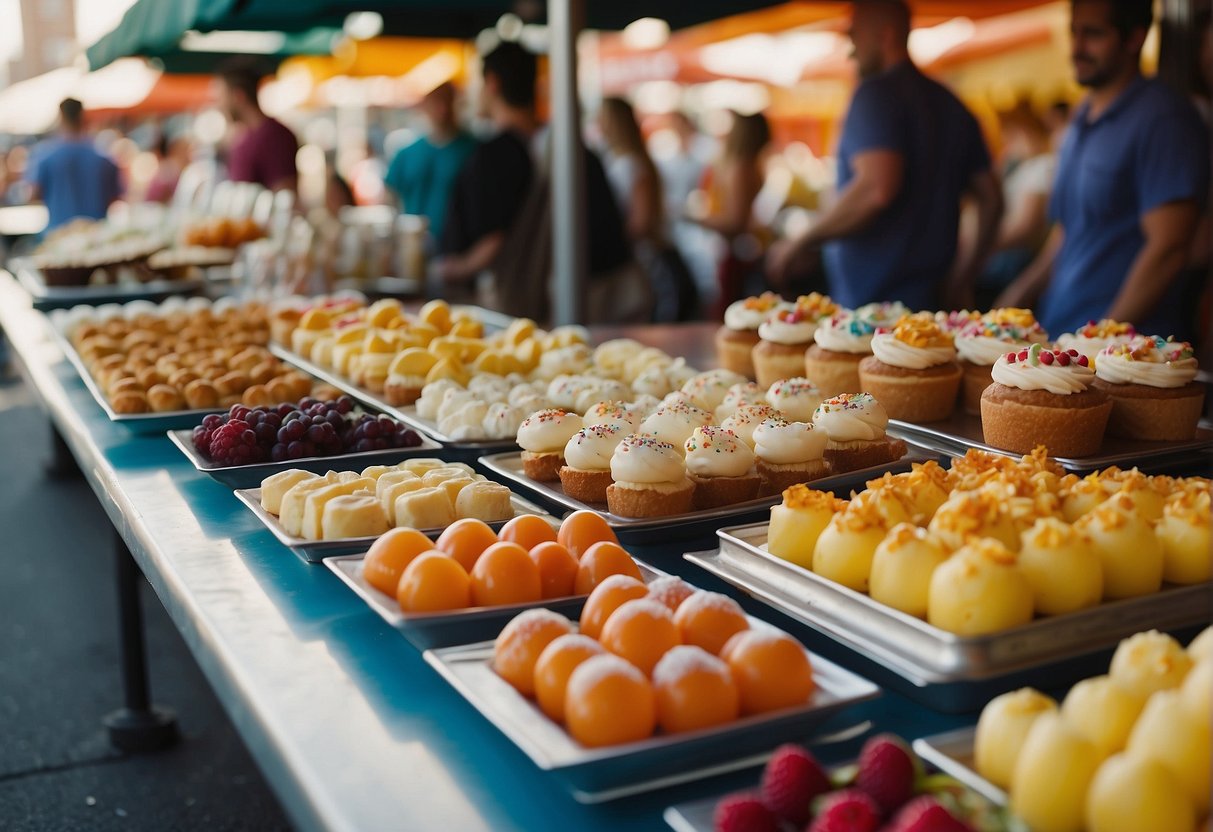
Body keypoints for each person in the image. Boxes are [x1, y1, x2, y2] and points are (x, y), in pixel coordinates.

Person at [768, 0, 1003, 311]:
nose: (850, 50)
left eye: (854, 36)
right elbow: (992, 200)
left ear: (886, 36)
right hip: (930, 300)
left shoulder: (875, 93)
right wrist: (962, 277)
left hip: (875, 312)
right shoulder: (950, 103)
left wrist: (802, 241)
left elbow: (876, 189)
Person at [996, 0, 1210, 339]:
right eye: (1073, 33)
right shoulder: (1081, 118)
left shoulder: (1163, 118)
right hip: (1062, 333)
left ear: (1134, 38)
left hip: (1128, 358)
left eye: (1093, 34)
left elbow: (1169, 248)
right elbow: (1069, 233)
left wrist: (1101, 340)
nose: (1076, 48)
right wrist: (1017, 295)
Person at [436, 41, 640, 322]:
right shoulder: (571, 149)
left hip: (546, 305)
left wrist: (452, 269)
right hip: (604, 294)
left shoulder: (497, 154)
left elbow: (493, 242)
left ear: (492, 83)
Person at [598, 97, 698, 321]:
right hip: (640, 258)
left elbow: (641, 222)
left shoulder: (633, 164)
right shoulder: (623, 159)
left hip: (646, 261)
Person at [689, 111, 771, 319]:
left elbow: (735, 221)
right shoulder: (745, 165)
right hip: (737, 251)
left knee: (728, 314)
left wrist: (694, 217)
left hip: (734, 254)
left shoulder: (739, 168)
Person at [977, 105, 1056, 307]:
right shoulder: (1024, 166)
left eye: (1011, 138)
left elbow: (1025, 227)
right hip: (1005, 255)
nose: (1007, 146)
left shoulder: (1042, 166)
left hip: (1014, 260)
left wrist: (983, 246)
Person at [384, 84, 476, 244]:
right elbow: (389, 197)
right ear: (425, 106)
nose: (442, 109)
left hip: (457, 248)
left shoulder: (472, 150)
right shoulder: (407, 152)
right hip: (413, 244)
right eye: (436, 102)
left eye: (447, 101)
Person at [25, 99, 122, 232]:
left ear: (61, 116)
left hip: (58, 234)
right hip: (96, 235)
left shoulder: (45, 156)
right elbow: (115, 197)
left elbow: (33, 195)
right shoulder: (103, 158)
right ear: (82, 116)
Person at [216, 58, 299, 192]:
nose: (219, 106)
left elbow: (285, 194)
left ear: (238, 96)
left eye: (222, 97)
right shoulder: (244, 137)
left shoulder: (275, 136)